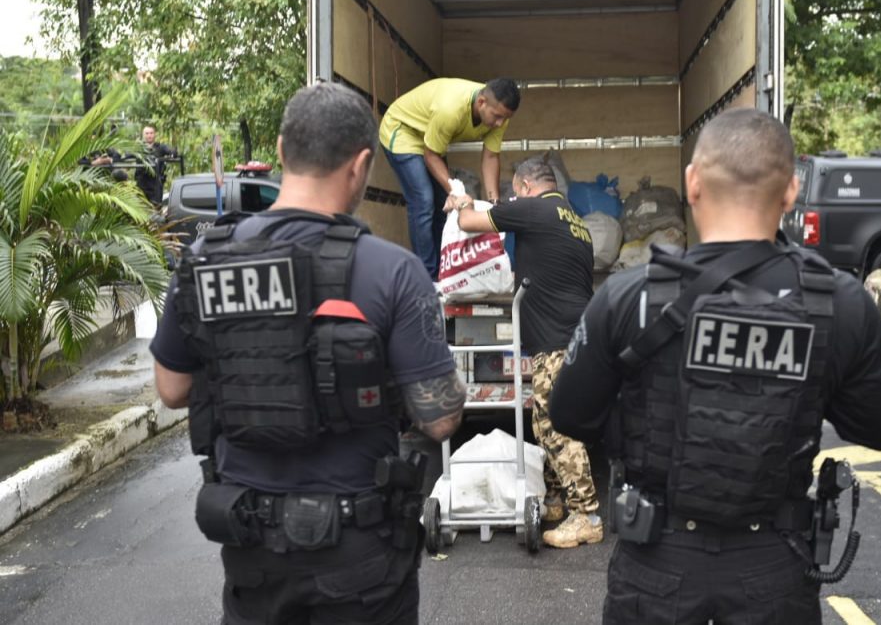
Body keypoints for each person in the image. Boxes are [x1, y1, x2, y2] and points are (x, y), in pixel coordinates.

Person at [549, 108, 881, 623]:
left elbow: (570, 415)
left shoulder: (628, 297)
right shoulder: (840, 303)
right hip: (775, 568)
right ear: (791, 191)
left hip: (656, 564)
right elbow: (878, 427)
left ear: (693, 184)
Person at [151, 82, 467, 624]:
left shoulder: (205, 257)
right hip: (359, 556)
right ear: (361, 164)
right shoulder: (392, 270)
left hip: (251, 546)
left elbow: (172, 388)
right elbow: (439, 419)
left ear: (280, 151)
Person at [446, 154, 603, 549]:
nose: (514, 198)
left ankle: (587, 516)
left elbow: (469, 222)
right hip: (576, 335)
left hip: (556, 339)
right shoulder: (576, 221)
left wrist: (462, 201)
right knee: (543, 422)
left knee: (555, 425)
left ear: (526, 186)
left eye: (515, 191)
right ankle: (555, 500)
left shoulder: (534, 209)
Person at [380, 77, 520, 279]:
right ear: (481, 102)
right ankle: (427, 276)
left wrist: (494, 203)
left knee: (444, 206)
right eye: (497, 116)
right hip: (403, 131)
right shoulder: (451, 108)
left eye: (505, 118)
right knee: (423, 200)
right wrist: (455, 192)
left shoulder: (499, 116)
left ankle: (443, 272)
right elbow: (430, 155)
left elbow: (490, 157)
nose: (500, 123)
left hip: (432, 140)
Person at [134, 125, 176, 205]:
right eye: (147, 133)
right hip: (142, 183)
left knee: (156, 207)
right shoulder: (138, 148)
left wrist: (172, 153)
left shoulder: (160, 147)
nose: (149, 135)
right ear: (143, 135)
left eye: (151, 133)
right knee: (142, 206)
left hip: (155, 184)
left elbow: (171, 151)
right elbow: (125, 155)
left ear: (154, 134)